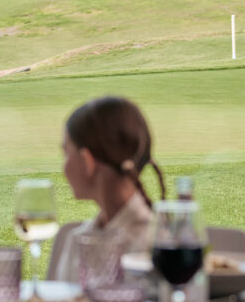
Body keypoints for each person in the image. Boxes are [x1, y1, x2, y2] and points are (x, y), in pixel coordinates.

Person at [50, 96, 166, 282]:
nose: (63, 166)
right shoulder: (77, 238)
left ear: (88, 161)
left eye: (66, 153)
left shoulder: (152, 246)